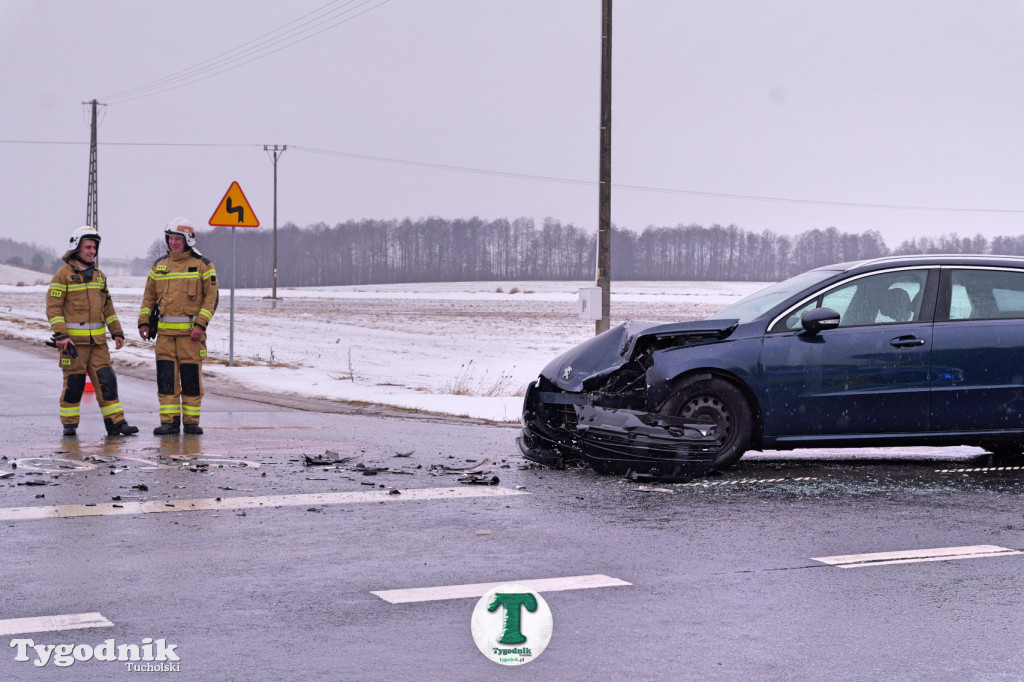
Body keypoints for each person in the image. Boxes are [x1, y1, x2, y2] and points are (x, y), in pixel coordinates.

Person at [47, 225, 139, 437]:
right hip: (73, 345)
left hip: (98, 343)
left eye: (94, 247)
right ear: (76, 248)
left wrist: (117, 332)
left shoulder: (99, 276)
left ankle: (116, 423)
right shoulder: (62, 276)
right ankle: (69, 424)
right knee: (74, 385)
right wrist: (61, 335)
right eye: (88, 247)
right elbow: (53, 308)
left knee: (107, 382)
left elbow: (108, 307)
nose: (92, 251)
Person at [138, 217, 218, 435]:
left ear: (187, 240)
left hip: (190, 337)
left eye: (177, 239)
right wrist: (144, 322)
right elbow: (148, 297)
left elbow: (211, 300)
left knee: (191, 380)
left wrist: (201, 325)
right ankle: (169, 423)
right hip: (164, 336)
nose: (173, 243)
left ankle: (191, 423)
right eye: (170, 238)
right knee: (166, 381)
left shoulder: (203, 265)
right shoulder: (159, 266)